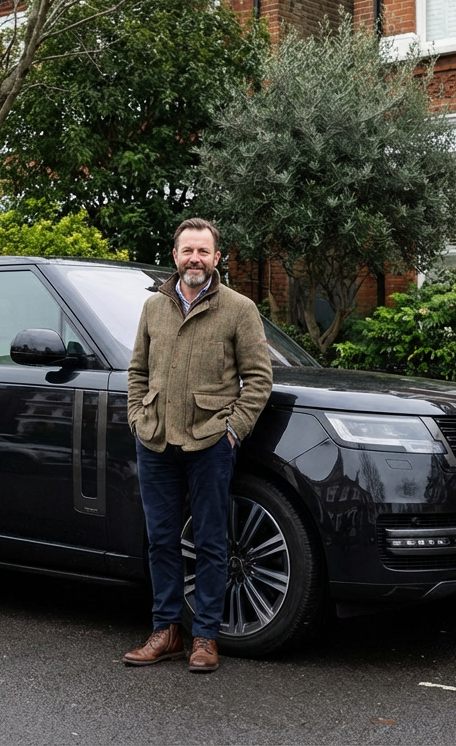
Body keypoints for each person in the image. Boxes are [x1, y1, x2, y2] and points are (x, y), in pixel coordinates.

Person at [122, 217, 273, 673]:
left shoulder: (239, 309)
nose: (195, 259)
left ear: (216, 258)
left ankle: (205, 637)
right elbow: (137, 371)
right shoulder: (154, 307)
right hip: (155, 440)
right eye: (187, 251)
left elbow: (259, 378)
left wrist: (233, 430)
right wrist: (137, 418)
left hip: (211, 442)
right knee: (162, 541)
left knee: (210, 542)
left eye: (203, 252)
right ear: (175, 255)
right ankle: (166, 632)